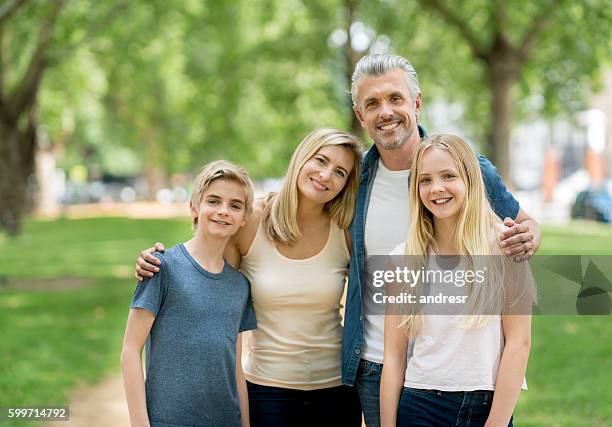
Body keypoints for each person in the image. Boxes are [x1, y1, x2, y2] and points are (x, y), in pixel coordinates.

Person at [342, 54, 541, 426]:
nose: (385, 111)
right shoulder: (353, 179)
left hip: (480, 394)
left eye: (395, 98)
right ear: (360, 114)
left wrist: (528, 238)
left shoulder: (498, 237)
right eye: (372, 103)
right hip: (383, 367)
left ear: (416, 102)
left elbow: (526, 227)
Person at [135, 128, 364, 426]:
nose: (325, 175)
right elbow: (208, 273)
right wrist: (158, 262)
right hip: (267, 393)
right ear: (302, 158)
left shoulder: (345, 229)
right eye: (320, 160)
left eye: (340, 172)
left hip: (335, 393)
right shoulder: (252, 220)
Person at [379, 134, 536, 426]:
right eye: (425, 180)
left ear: (470, 180)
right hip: (420, 405)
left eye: (448, 176)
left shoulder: (506, 248)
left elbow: (519, 343)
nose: (436, 188)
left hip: (487, 408)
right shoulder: (403, 258)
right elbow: (394, 357)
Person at [121, 160, 257, 427]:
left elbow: (236, 368)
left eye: (235, 205)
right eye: (214, 201)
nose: (223, 211)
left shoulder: (240, 286)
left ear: (243, 218)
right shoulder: (161, 267)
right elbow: (129, 350)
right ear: (194, 207)